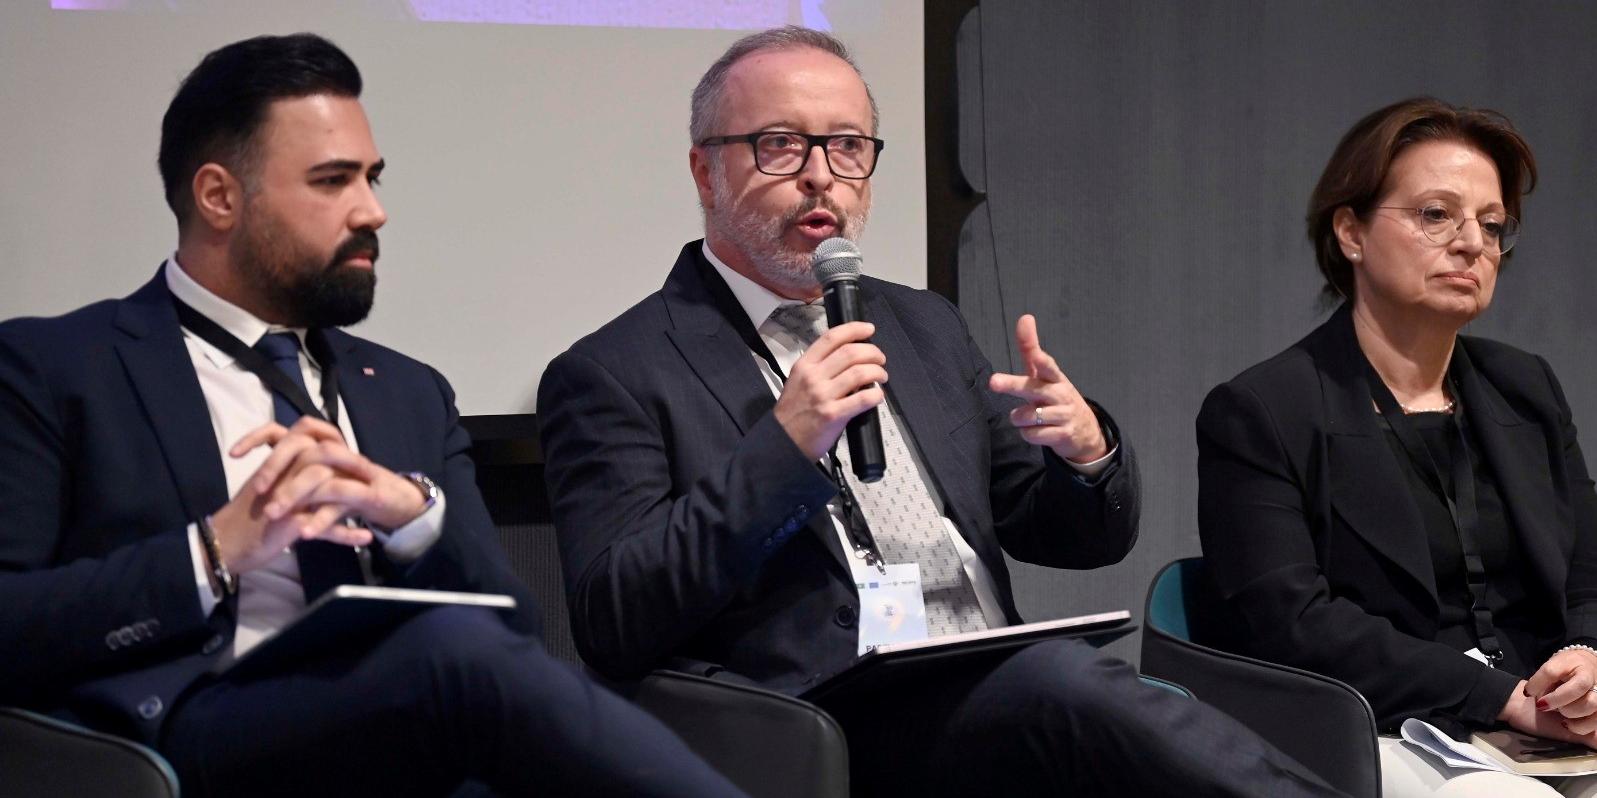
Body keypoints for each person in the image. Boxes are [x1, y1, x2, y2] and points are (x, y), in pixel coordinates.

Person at [539, 25, 1342, 797]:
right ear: (703, 170)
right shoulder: (614, 371)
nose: (821, 175)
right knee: (1066, 685)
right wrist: (780, 452)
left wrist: (1083, 455)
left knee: (1088, 696)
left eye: (848, 146)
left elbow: (1072, 537)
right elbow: (615, 619)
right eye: (781, 144)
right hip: (820, 717)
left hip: (986, 685)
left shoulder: (922, 325)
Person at [0, 32, 744, 798]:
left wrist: (413, 516)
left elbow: (515, 629)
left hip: (411, 723)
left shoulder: (405, 390)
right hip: (186, 737)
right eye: (332, 181)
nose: (374, 211)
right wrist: (215, 552)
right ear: (218, 196)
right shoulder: (56, 368)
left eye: (373, 178)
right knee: (453, 654)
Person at [1198, 96, 1597, 797]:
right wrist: (1497, 695)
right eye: (1435, 215)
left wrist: (1584, 656)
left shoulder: (1523, 386)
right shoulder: (1263, 409)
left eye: (1492, 223)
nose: (1472, 243)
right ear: (1349, 231)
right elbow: (1290, 624)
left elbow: (1586, 572)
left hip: (1542, 726)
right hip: (1379, 728)